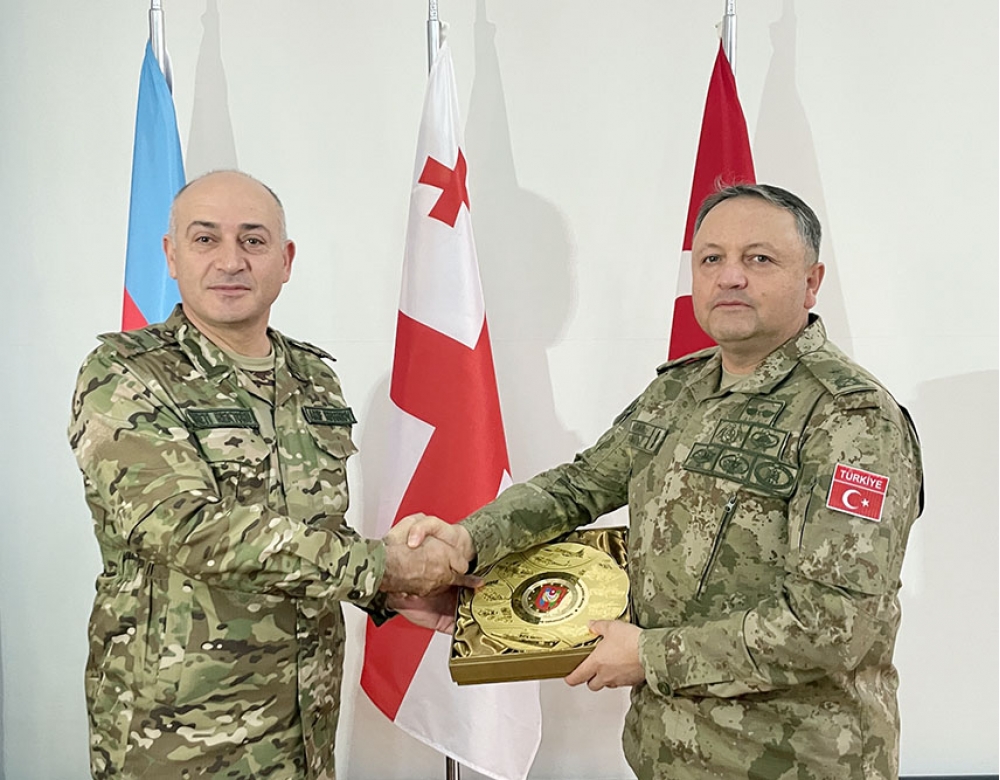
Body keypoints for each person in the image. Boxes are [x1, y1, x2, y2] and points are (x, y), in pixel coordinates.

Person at [404, 184, 924, 780]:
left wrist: (649, 656)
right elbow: (579, 487)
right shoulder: (679, 389)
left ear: (811, 282)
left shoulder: (851, 418)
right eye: (711, 258)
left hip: (794, 764)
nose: (730, 276)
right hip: (664, 756)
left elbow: (833, 625)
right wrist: (468, 543)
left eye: (759, 258)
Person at [67, 170, 473, 780]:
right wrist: (380, 567)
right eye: (206, 239)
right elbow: (184, 529)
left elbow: (312, 531)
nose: (231, 260)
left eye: (253, 240)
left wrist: (392, 591)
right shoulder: (125, 374)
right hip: (178, 738)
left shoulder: (313, 378)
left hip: (304, 724)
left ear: (286, 261)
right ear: (172, 256)